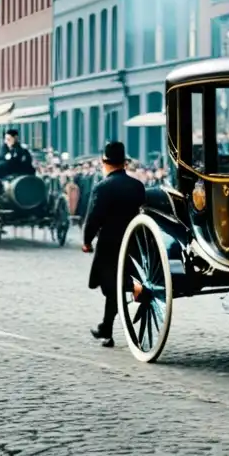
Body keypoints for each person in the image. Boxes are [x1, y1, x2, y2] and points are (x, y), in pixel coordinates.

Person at [83, 142, 146, 348]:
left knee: (112, 285)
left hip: (110, 244)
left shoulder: (102, 187)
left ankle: (134, 288)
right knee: (112, 289)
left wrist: (86, 241)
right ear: (124, 163)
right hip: (134, 243)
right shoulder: (137, 186)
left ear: (105, 163)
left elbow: (94, 218)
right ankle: (106, 330)